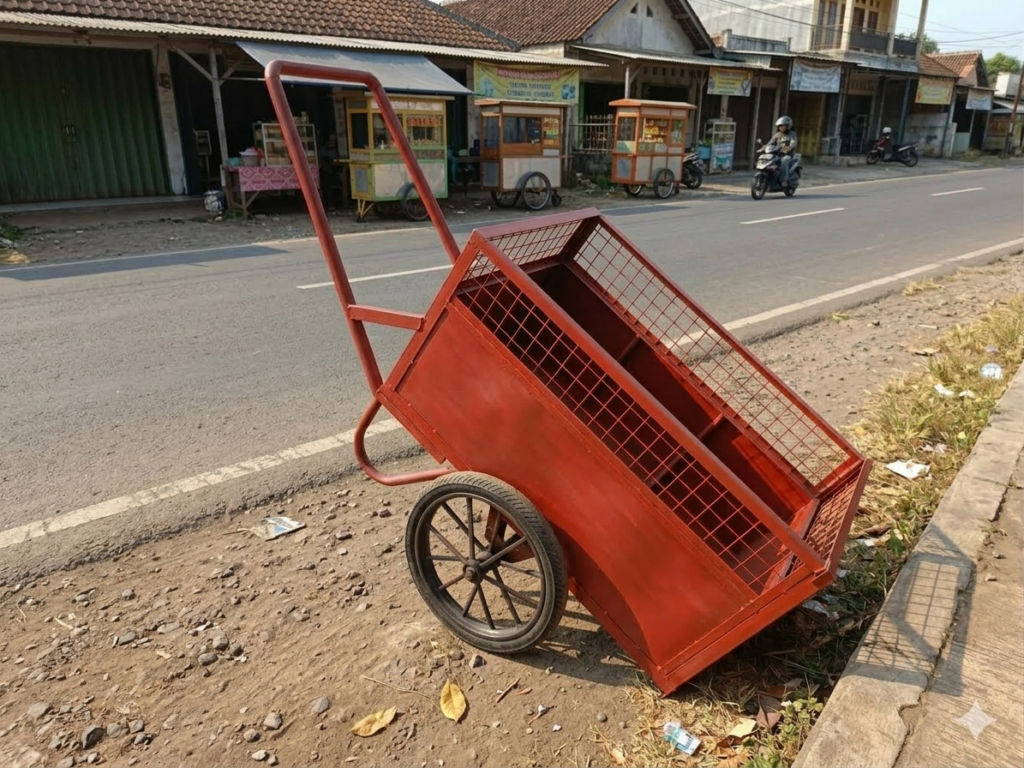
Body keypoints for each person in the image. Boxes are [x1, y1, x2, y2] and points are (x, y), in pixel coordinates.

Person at [771, 116, 798, 187]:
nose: (781, 128)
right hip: (777, 154)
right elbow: (770, 143)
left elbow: (793, 142)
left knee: (784, 161)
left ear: (788, 126)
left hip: (788, 155)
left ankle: (784, 180)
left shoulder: (792, 134)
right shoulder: (777, 135)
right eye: (780, 126)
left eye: (783, 126)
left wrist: (789, 147)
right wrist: (763, 148)